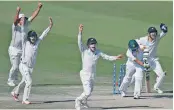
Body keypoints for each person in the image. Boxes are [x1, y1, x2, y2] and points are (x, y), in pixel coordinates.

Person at [75, 24, 123, 110]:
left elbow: (107, 57)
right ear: (88, 45)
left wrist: (116, 57)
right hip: (85, 74)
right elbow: (79, 42)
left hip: (93, 74)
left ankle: (84, 101)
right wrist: (80, 32)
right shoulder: (84, 51)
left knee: (90, 91)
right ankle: (78, 100)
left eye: (94, 44)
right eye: (91, 44)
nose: (93, 45)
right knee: (88, 92)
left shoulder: (98, 52)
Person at [11, 17, 53, 104]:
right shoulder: (25, 42)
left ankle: (15, 92)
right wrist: (22, 25)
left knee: (24, 81)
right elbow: (23, 33)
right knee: (29, 82)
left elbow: (43, 34)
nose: (33, 38)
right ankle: (25, 99)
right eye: (32, 37)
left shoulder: (37, 42)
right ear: (29, 37)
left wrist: (50, 26)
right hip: (23, 65)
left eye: (34, 37)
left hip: (30, 67)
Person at [7, 2, 43, 86]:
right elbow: (15, 20)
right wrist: (18, 12)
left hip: (22, 49)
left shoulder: (26, 24)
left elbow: (33, 16)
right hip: (14, 49)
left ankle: (15, 79)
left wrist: (39, 8)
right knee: (15, 66)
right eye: (23, 19)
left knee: (20, 66)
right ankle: (10, 80)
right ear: (19, 20)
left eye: (25, 19)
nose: (25, 20)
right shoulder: (15, 26)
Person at [136, 23, 168, 93]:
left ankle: (156, 87)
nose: (154, 35)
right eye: (152, 33)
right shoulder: (143, 39)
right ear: (149, 34)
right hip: (144, 60)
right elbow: (135, 42)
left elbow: (164, 32)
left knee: (162, 75)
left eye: (155, 33)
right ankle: (133, 89)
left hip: (154, 60)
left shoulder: (157, 38)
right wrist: (140, 47)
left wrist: (164, 28)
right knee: (137, 75)